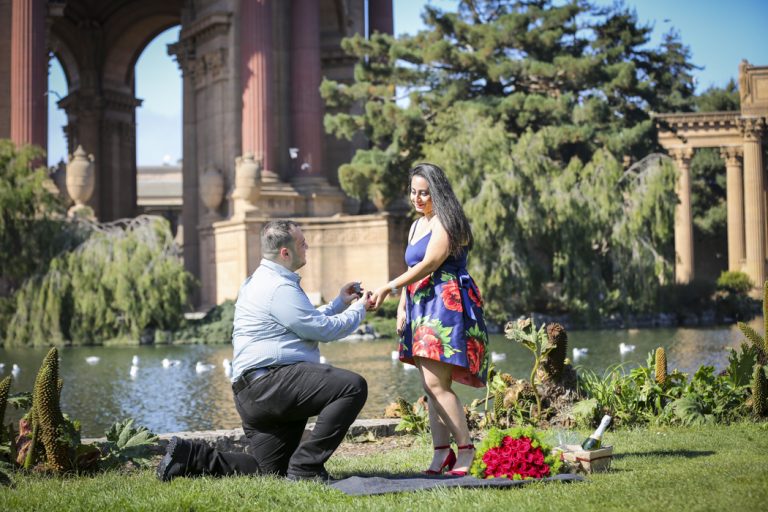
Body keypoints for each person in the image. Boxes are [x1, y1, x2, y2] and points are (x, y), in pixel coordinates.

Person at [157, 219, 373, 482]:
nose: (307, 248)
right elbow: (323, 331)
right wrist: (359, 309)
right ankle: (307, 467)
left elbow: (306, 321)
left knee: (270, 471)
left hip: (253, 393)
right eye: (302, 244)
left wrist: (340, 302)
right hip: (272, 386)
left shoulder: (260, 281)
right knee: (352, 386)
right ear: (285, 252)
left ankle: (189, 456)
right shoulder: (278, 287)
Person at [369, 163, 489, 476]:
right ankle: (441, 452)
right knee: (429, 384)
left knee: (437, 382)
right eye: (414, 192)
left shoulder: (446, 221)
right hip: (420, 306)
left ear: (437, 193)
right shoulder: (415, 226)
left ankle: (466, 449)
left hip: (446, 303)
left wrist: (387, 287)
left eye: (425, 193)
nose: (418, 198)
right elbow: (414, 272)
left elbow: (430, 263)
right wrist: (401, 306)